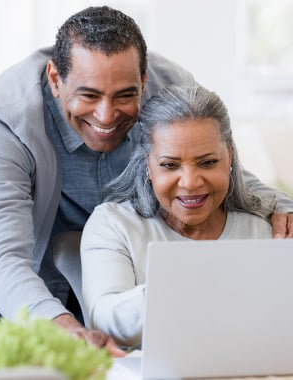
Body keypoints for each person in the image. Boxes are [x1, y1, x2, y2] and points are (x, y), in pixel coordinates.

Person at [0, 6, 293, 354]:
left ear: (144, 77)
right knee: (15, 348)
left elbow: (210, 162)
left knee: (103, 350)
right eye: (88, 95)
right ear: (56, 78)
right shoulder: (1, 120)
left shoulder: (170, 86)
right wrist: (61, 325)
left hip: (103, 215)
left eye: (125, 95)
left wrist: (281, 207)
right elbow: (3, 259)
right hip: (3, 218)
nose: (106, 116)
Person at [81, 85, 275, 347]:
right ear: (148, 165)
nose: (191, 182)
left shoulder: (264, 228)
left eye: (207, 162)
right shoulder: (114, 225)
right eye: (169, 165)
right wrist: (177, 288)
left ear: (229, 156)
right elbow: (105, 320)